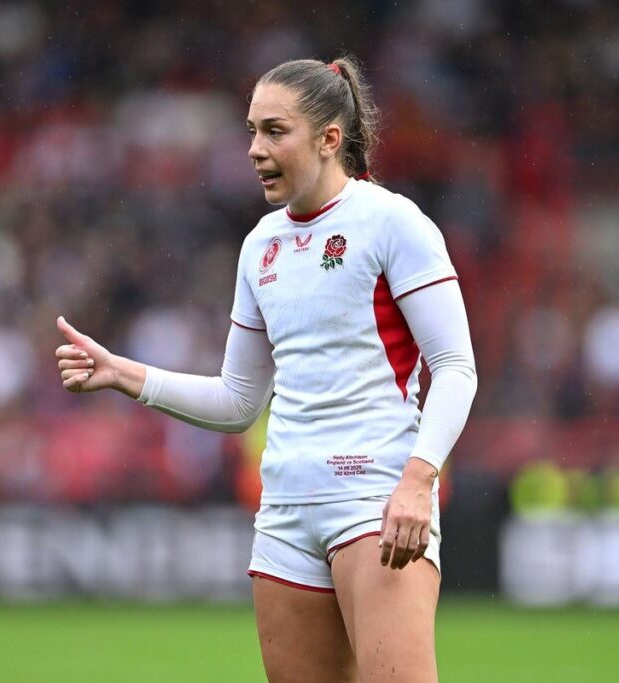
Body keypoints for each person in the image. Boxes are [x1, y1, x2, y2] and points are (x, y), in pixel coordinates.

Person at [55, 56, 476, 683]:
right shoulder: (261, 246)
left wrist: (418, 481)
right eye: (251, 130)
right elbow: (238, 400)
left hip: (374, 500)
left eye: (275, 131)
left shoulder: (392, 222)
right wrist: (123, 375)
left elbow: (456, 367)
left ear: (330, 138)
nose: (254, 150)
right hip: (283, 514)